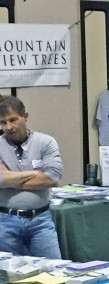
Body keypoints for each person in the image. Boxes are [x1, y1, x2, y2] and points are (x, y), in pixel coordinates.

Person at [0, 96, 63, 259]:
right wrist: (34, 173)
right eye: (3, 122)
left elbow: (52, 178)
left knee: (54, 272)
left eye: (13, 120)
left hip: (40, 221)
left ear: (25, 117)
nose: (8, 127)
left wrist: (9, 179)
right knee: (9, 278)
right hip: (5, 221)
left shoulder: (46, 142)